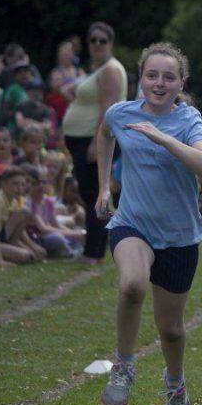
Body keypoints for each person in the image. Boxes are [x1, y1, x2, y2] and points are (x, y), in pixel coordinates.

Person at [94, 42, 202, 405]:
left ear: (181, 83)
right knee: (132, 285)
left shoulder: (189, 120)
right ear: (141, 78)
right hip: (132, 224)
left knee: (171, 329)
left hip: (179, 236)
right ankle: (123, 366)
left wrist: (163, 138)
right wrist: (103, 186)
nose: (159, 83)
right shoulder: (121, 113)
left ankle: (175, 383)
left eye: (168, 77)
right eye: (152, 75)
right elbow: (104, 135)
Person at [62, 22, 127, 263]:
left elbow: (108, 108)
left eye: (103, 40)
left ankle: (92, 252)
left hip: (93, 140)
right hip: (83, 138)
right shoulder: (99, 70)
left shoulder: (110, 69)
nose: (97, 44)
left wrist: (95, 142)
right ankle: (96, 250)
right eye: (93, 40)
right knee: (93, 195)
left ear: (111, 43)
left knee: (93, 196)